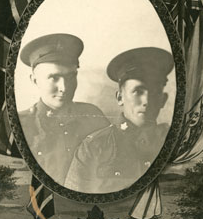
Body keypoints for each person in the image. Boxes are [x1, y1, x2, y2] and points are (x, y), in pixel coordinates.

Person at [64, 47, 174, 193]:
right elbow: (74, 202)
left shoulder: (176, 143)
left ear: (163, 99)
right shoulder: (93, 147)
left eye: (154, 92)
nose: (146, 100)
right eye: (138, 92)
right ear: (120, 98)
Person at [19, 33, 109, 186]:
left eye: (71, 76)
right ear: (34, 80)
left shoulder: (94, 116)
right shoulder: (21, 124)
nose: (64, 87)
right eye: (54, 77)